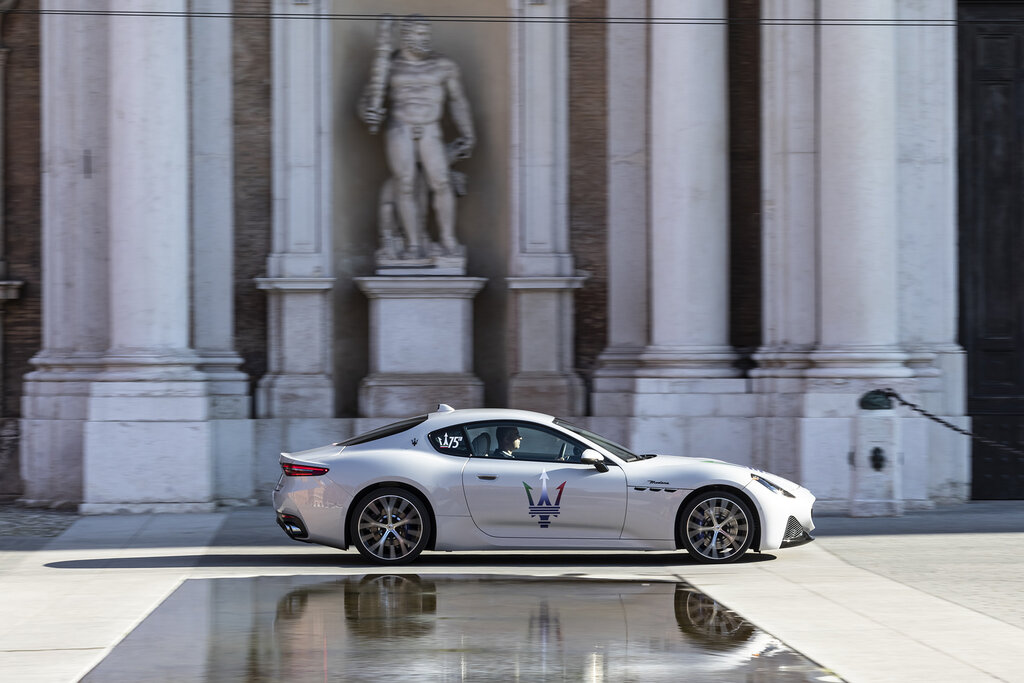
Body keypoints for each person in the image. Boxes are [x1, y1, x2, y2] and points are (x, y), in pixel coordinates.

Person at [359, 14, 475, 259]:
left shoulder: (444, 65)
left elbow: (458, 101)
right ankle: (413, 245)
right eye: (420, 34)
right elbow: (369, 98)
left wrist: (467, 131)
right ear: (406, 36)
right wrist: (369, 112)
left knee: (441, 181)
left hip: (430, 127)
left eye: (427, 34)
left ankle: (447, 238)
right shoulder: (388, 64)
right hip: (399, 127)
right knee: (405, 183)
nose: (426, 39)